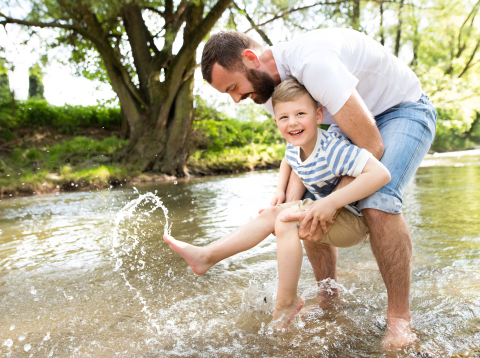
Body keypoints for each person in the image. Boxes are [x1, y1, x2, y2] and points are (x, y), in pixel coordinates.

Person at [200, 28, 437, 350]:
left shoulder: (314, 63)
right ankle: (329, 302)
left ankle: (399, 320)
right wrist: (290, 203)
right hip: (348, 125)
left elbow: (370, 143)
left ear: (251, 59)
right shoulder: (270, 93)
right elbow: (304, 154)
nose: (236, 99)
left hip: (401, 111)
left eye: (233, 88)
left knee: (378, 201)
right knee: (307, 205)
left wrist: (333, 203)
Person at [164, 79, 391, 330]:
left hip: (352, 221)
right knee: (274, 213)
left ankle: (286, 302)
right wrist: (280, 190)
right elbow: (288, 161)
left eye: (300, 114)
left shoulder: (333, 149)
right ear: (276, 122)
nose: (292, 122)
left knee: (285, 221)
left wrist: (331, 201)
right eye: (284, 117)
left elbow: (381, 174)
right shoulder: (295, 147)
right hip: (329, 217)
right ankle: (206, 256)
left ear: (318, 115)